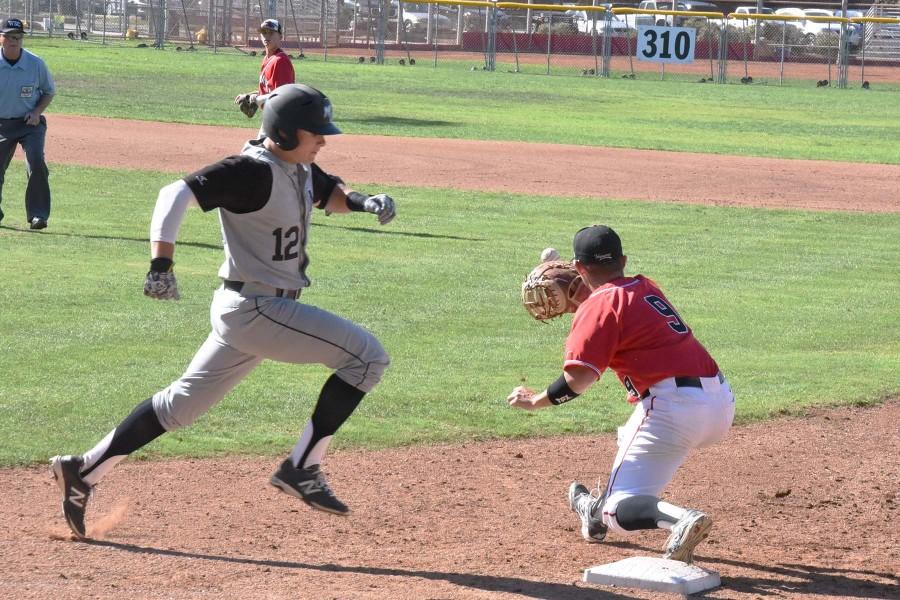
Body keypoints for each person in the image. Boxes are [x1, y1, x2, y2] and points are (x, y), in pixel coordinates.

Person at [50, 84, 398, 540]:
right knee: (367, 358)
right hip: (258, 308)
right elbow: (173, 194)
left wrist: (364, 201)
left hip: (251, 312)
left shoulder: (296, 165)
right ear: (288, 134)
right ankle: (302, 468)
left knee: (179, 407)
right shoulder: (249, 171)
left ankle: (84, 469)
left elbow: (329, 191)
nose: (324, 141)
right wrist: (161, 263)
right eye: (317, 133)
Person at [507, 225, 735, 564]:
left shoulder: (597, 306)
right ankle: (592, 514)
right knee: (629, 433)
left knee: (620, 508)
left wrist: (535, 401)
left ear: (579, 267)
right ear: (623, 260)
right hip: (720, 403)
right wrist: (584, 291)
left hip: (674, 411)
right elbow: (617, 305)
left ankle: (678, 519)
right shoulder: (645, 286)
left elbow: (578, 379)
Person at [0, 18, 55, 229]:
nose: (14, 41)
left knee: (36, 161)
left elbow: (49, 91)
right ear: (1, 39)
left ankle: (38, 215)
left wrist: (37, 111)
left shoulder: (35, 64)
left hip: (29, 123)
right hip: (2, 123)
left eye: (18, 37)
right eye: (9, 37)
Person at [234, 19, 294, 116]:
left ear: (280, 36)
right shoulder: (267, 59)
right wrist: (249, 96)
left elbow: (283, 97)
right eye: (264, 32)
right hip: (272, 117)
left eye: (271, 32)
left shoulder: (281, 61)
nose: (266, 36)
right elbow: (269, 91)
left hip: (281, 120)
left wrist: (256, 100)